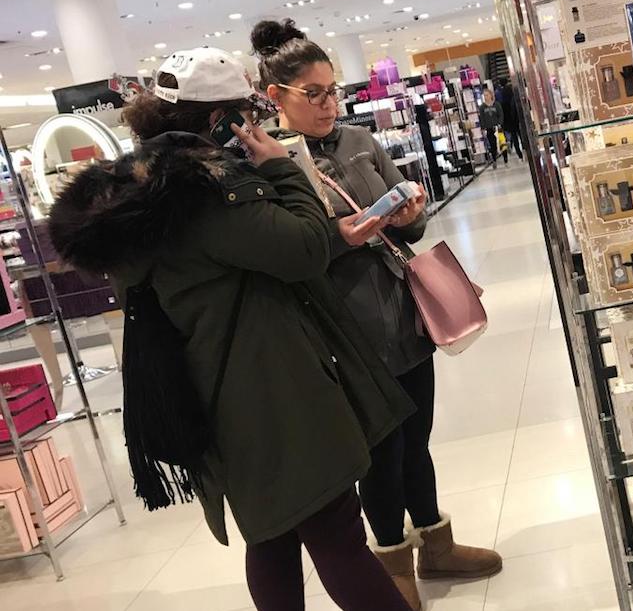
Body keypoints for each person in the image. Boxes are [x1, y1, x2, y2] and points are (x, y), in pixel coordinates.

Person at [47, 47, 414, 611]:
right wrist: (282, 170)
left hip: (210, 387)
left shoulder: (131, 197)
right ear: (222, 118)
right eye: (245, 113)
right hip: (273, 388)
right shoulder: (206, 193)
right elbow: (304, 250)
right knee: (335, 531)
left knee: (270, 531)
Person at [251, 19, 502, 611]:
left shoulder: (360, 139)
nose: (328, 104)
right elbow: (286, 255)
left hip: (403, 311)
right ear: (276, 97)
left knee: (419, 439)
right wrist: (341, 236)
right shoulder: (272, 164)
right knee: (380, 456)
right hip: (344, 330)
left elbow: (411, 221)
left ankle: (436, 545)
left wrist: (409, 209)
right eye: (313, 94)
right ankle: (391, 566)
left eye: (333, 89)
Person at [499, 80, 523, 163]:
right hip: (516, 121)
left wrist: (504, 124)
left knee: (514, 138)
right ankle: (524, 151)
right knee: (521, 136)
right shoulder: (514, 100)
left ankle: (519, 154)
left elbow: (503, 114)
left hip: (509, 123)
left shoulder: (503, 102)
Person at [478, 88, 504, 164]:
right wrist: (483, 127)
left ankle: (505, 158)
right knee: (492, 144)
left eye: (487, 95)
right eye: (484, 95)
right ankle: (494, 159)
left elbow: (501, 115)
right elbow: (482, 118)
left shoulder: (496, 104)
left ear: (491, 95)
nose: (486, 97)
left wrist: (499, 123)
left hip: (497, 127)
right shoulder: (482, 107)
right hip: (489, 128)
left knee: (502, 142)